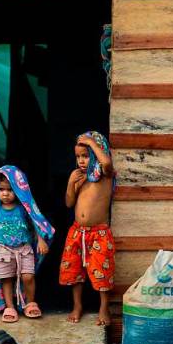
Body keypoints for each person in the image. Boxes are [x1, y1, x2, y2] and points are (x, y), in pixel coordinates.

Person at [0, 165, 55, 323]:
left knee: (28, 277)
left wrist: (41, 239)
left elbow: (36, 223)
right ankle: (9, 306)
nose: (5, 193)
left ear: (19, 190)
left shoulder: (23, 209)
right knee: (6, 279)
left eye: (10, 189)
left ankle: (30, 303)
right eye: (1, 189)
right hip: (2, 251)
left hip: (24, 249)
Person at [60, 131, 116, 326]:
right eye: (78, 157)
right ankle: (77, 306)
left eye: (85, 155)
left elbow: (107, 163)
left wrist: (92, 142)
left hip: (99, 233)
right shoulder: (80, 177)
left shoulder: (105, 175)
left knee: (102, 270)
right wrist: (70, 183)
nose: (81, 161)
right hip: (77, 232)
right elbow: (69, 203)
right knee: (75, 271)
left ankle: (103, 307)